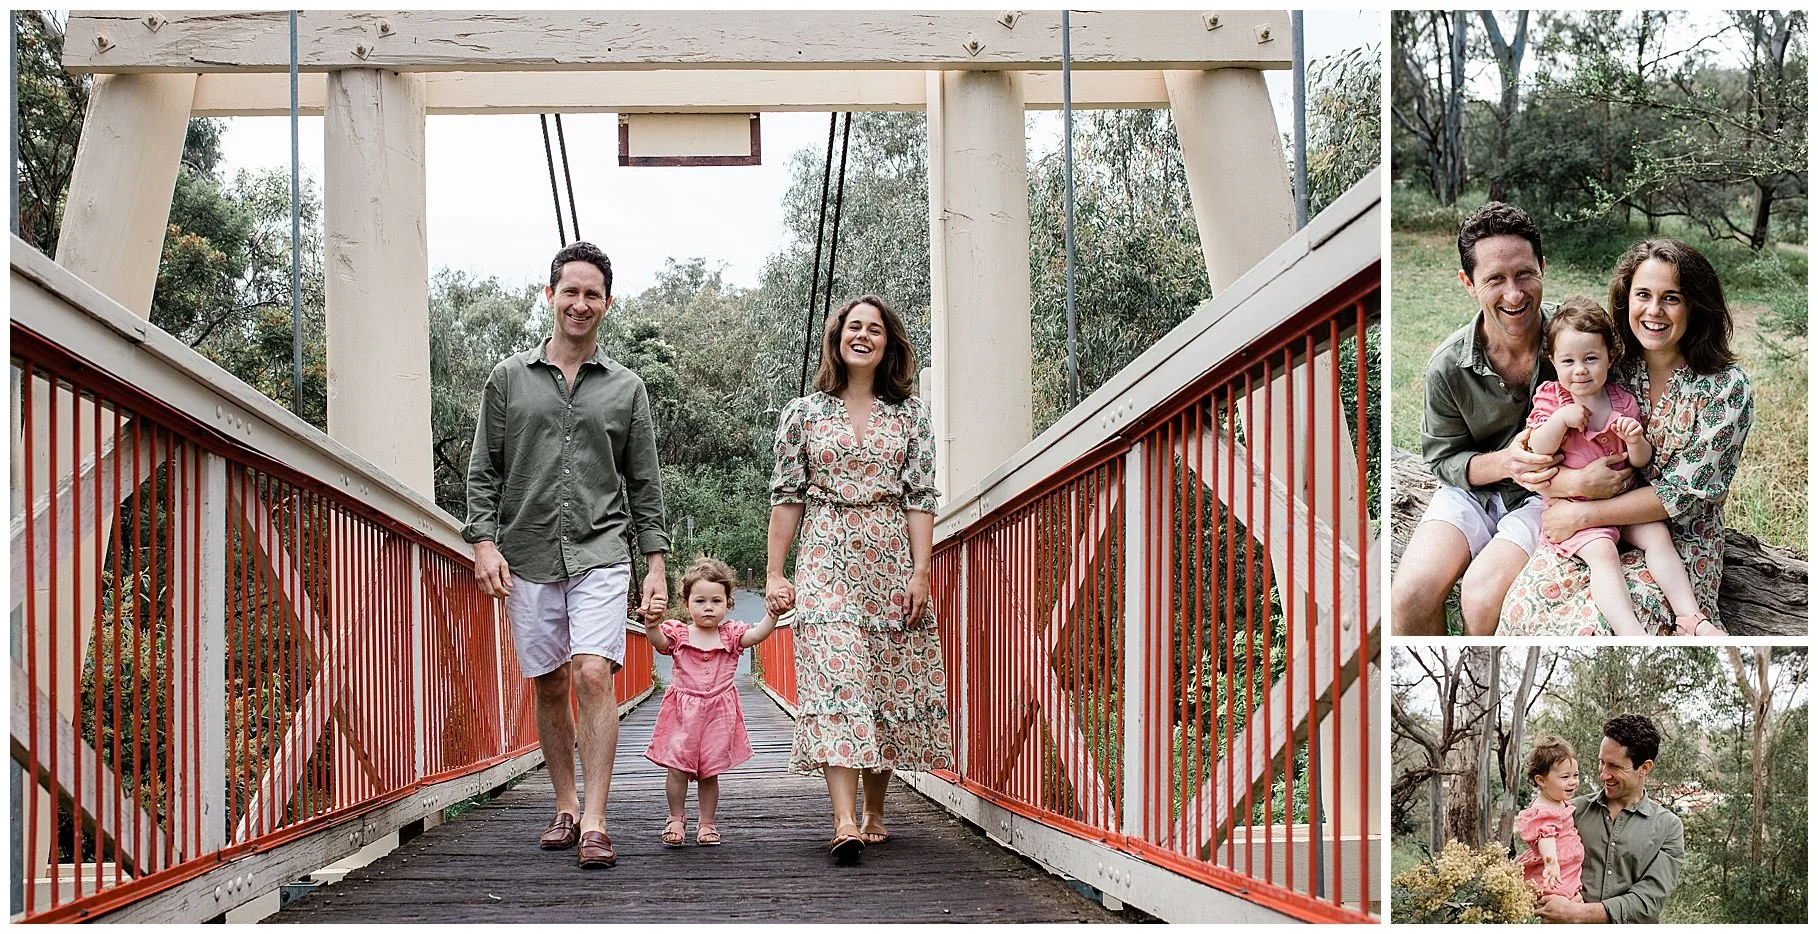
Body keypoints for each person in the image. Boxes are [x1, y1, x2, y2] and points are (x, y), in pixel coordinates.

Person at [463, 241, 670, 869]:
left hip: (601, 549)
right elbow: (483, 470)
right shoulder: (508, 379)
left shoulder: (627, 389)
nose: (581, 303)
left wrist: (655, 564)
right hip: (527, 551)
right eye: (571, 291)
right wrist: (483, 542)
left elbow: (644, 484)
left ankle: (597, 822)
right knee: (550, 681)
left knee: (592, 673)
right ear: (550, 295)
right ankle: (565, 805)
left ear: (607, 304)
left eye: (592, 294)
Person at [766, 294, 953, 865]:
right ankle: (843, 820)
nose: (863, 336)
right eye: (854, 326)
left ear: (888, 343)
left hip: (889, 555)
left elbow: (920, 496)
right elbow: (786, 496)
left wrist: (921, 572)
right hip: (825, 553)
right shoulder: (804, 414)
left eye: (875, 329)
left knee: (882, 678)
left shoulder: (911, 416)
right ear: (837, 338)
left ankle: (874, 809)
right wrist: (774, 571)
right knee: (837, 675)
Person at [1390, 202, 1627, 636]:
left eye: (1524, 274)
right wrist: (1507, 462)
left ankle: (1478, 661)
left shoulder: (1578, 338)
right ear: (1468, 283)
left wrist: (1577, 484)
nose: (1514, 294)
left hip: (1550, 499)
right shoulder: (1448, 366)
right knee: (1409, 597)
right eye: (1495, 279)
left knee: (1480, 595)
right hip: (1474, 492)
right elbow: (1443, 460)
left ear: (1543, 267)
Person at [1500, 240, 1750, 636]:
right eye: (1643, 295)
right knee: (1523, 609)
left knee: (1600, 629)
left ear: (1696, 306)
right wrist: (1573, 488)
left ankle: (1693, 621)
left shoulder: (1726, 389)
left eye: (1672, 298)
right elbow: (1539, 461)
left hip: (1677, 535)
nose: (1654, 311)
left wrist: (1585, 513)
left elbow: (1680, 497)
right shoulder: (1608, 364)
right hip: (1577, 523)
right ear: (1626, 299)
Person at [1520, 298, 1706, 636]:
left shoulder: (1623, 401)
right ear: (1553, 361)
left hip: (1622, 504)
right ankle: (1629, 631)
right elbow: (1538, 448)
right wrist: (1560, 421)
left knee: (1657, 535)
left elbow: (1639, 461)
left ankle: (1690, 617)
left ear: (1610, 357)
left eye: (1591, 358)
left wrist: (1635, 440)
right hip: (1574, 512)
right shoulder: (1552, 399)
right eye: (1568, 361)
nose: (1580, 370)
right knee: (1604, 553)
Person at [641, 557, 780, 847]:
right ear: (686, 603)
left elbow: (756, 635)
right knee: (677, 768)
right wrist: (651, 624)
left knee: (709, 772)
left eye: (716, 601)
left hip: (718, 714)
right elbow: (658, 642)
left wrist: (773, 616)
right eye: (700, 601)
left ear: (728, 603)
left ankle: (706, 823)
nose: (708, 607)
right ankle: (676, 817)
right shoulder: (678, 634)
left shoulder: (730, 636)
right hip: (682, 713)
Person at [1535, 714, 1684, 923]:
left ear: (1644, 768)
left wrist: (1577, 914)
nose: (1603, 775)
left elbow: (1647, 902)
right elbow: (1538, 865)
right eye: (1602, 762)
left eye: (1614, 766)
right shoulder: (1571, 811)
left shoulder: (1668, 827)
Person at [1514, 736, 1584, 901]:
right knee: (1557, 899)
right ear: (1541, 780)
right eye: (1565, 777)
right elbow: (1545, 837)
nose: (1573, 782)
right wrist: (1551, 861)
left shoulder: (1558, 801)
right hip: (1553, 873)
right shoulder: (1543, 810)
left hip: (1567, 870)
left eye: (1575, 775)